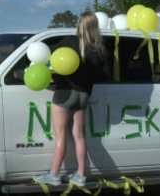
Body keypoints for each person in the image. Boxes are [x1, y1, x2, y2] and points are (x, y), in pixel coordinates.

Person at [33, 12, 111, 186]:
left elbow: (46, 56)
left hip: (65, 92)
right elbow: (106, 76)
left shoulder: (69, 41)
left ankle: (54, 174)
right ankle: (81, 175)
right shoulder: (100, 49)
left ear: (79, 25)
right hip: (84, 95)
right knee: (79, 135)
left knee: (61, 136)